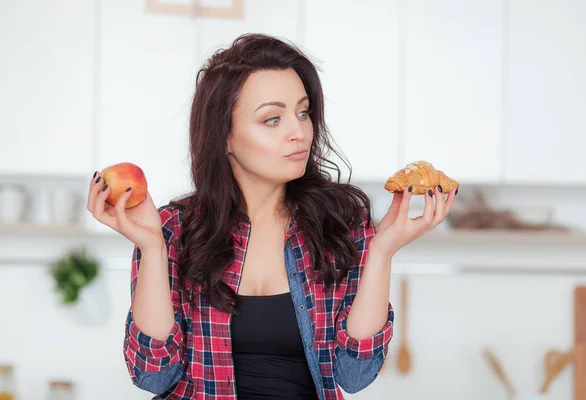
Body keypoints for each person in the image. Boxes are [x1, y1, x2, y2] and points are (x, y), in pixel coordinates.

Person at [86, 33, 456, 400]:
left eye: (303, 112)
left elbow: (355, 374)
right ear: (224, 136)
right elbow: (152, 375)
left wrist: (382, 252)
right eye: (272, 120)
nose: (299, 132)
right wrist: (153, 248)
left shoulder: (341, 223)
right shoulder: (173, 229)